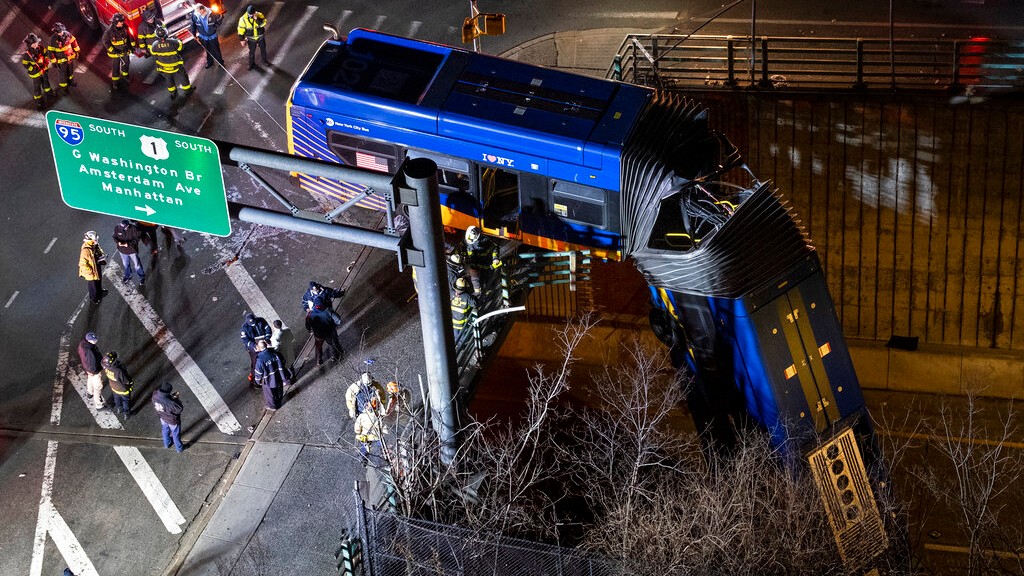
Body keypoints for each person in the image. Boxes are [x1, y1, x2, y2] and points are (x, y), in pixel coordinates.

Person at [150, 26, 193, 100]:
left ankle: (173, 92)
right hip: (176, 65)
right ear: (166, 33)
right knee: (183, 76)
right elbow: (181, 48)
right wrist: (177, 39)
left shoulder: (154, 45)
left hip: (164, 67)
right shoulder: (173, 41)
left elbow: (153, 54)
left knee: (168, 79)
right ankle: (187, 90)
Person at [462, 226, 502, 295]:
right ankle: (479, 290)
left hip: (485, 263)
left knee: (486, 277)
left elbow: (494, 248)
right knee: (476, 277)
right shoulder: (466, 240)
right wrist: (464, 256)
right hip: (474, 262)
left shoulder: (486, 241)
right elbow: (463, 247)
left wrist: (495, 258)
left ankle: (489, 291)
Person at [253, 340, 292, 410]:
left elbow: (258, 373)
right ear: (266, 345)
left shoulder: (260, 360)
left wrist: (257, 381)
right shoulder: (275, 353)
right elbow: (283, 362)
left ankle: (273, 406)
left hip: (269, 380)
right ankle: (279, 401)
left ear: (259, 348)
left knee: (270, 395)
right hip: (279, 376)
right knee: (279, 390)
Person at [101, 13, 136, 91]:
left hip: (125, 51)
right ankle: (115, 82)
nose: (122, 23)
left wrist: (132, 47)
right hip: (115, 54)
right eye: (121, 21)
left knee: (126, 63)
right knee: (115, 67)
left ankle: (125, 76)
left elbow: (130, 37)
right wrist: (113, 51)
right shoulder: (109, 31)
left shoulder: (125, 27)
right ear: (116, 23)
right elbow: (105, 41)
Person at [21, 34, 52, 109]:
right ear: (29, 45)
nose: (36, 45)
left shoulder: (41, 48)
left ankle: (49, 92)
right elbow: (25, 65)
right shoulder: (27, 55)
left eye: (36, 43)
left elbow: (46, 54)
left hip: (43, 69)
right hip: (35, 74)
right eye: (34, 44)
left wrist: (47, 61)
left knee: (46, 82)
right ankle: (38, 101)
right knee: (37, 87)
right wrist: (33, 68)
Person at [240, 312, 272, 383]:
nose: (253, 324)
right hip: (254, 347)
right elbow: (245, 340)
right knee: (255, 361)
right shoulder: (244, 328)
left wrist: (267, 338)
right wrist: (254, 345)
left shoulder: (261, 320)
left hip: (264, 343)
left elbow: (268, 329)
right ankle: (254, 375)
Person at [190, 3, 224, 69]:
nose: (199, 13)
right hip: (203, 37)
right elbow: (193, 25)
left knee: (216, 50)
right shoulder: (195, 15)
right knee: (207, 50)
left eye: (200, 12)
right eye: (197, 12)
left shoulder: (212, 13)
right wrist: (194, 35)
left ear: (203, 9)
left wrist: (215, 27)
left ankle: (221, 62)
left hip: (212, 36)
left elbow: (221, 17)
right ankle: (210, 62)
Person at [47, 23, 79, 94]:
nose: (61, 33)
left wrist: (77, 51)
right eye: (59, 32)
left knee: (70, 71)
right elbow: (50, 51)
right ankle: (64, 88)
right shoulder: (53, 39)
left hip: (69, 57)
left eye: (61, 31)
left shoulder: (67, 34)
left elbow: (73, 42)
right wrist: (54, 61)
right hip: (61, 60)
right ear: (56, 32)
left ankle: (71, 81)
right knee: (63, 74)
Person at [77, 332, 106, 410]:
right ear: (89, 340)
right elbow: (93, 362)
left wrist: (89, 371)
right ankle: (99, 405)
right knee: (98, 386)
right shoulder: (90, 350)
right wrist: (95, 371)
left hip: (87, 368)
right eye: (94, 340)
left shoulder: (82, 344)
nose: (95, 341)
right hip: (94, 371)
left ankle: (89, 393)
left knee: (90, 379)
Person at [354, 397, 387, 464]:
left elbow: (357, 430)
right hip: (377, 438)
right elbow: (384, 429)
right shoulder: (379, 416)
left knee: (364, 448)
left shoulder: (362, 416)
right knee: (381, 449)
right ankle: (384, 459)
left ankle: (363, 459)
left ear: (367, 406)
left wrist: (360, 432)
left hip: (365, 438)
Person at [152, 382, 184, 452]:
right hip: (172, 420)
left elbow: (163, 401)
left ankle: (167, 444)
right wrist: (176, 399)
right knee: (175, 434)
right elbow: (179, 409)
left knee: (165, 430)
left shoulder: (155, 394)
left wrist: (171, 397)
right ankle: (179, 448)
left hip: (162, 417)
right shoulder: (170, 402)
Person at [112, 219, 145, 286]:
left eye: (124, 227)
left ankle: (142, 277)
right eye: (121, 227)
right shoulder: (118, 228)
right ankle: (127, 275)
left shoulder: (134, 229)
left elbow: (137, 239)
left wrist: (128, 244)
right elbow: (114, 237)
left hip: (132, 251)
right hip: (122, 251)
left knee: (137, 265)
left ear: (127, 226)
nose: (122, 228)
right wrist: (118, 242)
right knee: (125, 264)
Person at [101, 351, 133, 419]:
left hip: (114, 387)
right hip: (123, 390)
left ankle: (119, 409)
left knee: (117, 398)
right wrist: (131, 383)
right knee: (126, 401)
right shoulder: (118, 370)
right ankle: (126, 414)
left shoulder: (106, 367)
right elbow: (126, 381)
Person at [78, 231, 108, 304]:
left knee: (98, 280)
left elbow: (98, 251)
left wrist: (101, 256)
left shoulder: (93, 245)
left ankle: (100, 292)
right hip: (91, 271)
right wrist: (90, 272)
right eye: (94, 239)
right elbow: (82, 264)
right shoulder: (85, 250)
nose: (96, 240)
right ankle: (94, 298)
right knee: (93, 286)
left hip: (96, 265)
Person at [237, 4, 269, 70]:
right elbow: (240, 29)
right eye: (250, 14)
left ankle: (264, 61)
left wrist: (257, 19)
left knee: (263, 50)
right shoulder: (243, 19)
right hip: (251, 39)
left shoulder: (259, 15)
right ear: (247, 12)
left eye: (252, 14)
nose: (251, 15)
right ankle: (251, 64)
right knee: (252, 52)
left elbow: (264, 23)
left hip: (260, 37)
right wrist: (242, 39)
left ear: (255, 12)